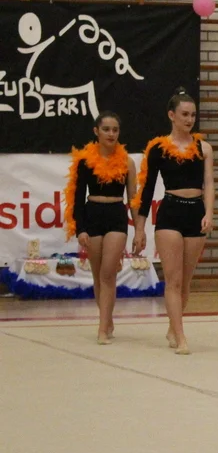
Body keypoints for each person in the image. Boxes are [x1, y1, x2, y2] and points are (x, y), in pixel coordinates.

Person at [132, 87, 214, 355]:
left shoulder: (204, 148)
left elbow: (209, 184)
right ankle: (181, 337)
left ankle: (172, 327)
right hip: (170, 213)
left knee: (186, 282)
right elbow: (146, 190)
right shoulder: (158, 149)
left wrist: (209, 212)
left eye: (193, 115)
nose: (190, 119)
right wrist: (140, 228)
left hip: (195, 212)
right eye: (184, 114)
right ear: (172, 115)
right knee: (173, 280)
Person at [63, 111, 138, 345]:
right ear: (96, 131)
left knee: (108, 273)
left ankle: (102, 329)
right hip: (92, 215)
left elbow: (133, 198)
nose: (111, 134)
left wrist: (139, 230)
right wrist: (80, 229)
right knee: (98, 275)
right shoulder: (85, 161)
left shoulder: (127, 162)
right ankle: (107, 319)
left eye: (115, 130)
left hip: (116, 215)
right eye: (106, 129)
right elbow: (76, 198)